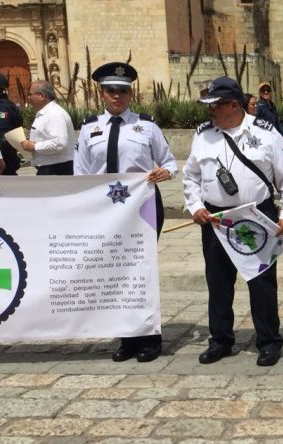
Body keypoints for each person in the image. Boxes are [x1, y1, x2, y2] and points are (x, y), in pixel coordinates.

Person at [183, 76, 283, 366]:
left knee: (261, 282)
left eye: (215, 105)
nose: (209, 111)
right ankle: (220, 340)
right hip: (217, 220)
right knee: (218, 283)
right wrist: (195, 206)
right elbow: (191, 177)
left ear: (232, 104)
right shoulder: (203, 135)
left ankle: (269, 341)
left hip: (255, 216)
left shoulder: (266, 132)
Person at [74, 62, 177, 363]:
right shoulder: (89, 129)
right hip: (104, 212)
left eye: (122, 91)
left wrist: (163, 172)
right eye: (111, 91)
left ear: (130, 93)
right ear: (102, 93)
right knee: (115, 273)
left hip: (141, 207)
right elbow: (80, 173)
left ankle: (149, 339)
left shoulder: (147, 127)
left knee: (141, 272)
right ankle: (126, 339)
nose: (117, 96)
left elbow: (170, 163)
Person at [21, 80, 75, 175]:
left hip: (56, 170)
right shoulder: (46, 113)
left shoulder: (54, 114)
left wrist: (34, 146)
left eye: (31, 94)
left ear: (41, 96)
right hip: (49, 168)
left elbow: (59, 143)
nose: (29, 98)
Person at [257, 82, 283, 147]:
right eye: (263, 90)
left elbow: (277, 123)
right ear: (260, 93)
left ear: (271, 92)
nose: (266, 92)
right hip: (264, 142)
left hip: (274, 139)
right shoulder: (258, 107)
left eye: (268, 90)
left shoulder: (272, 106)